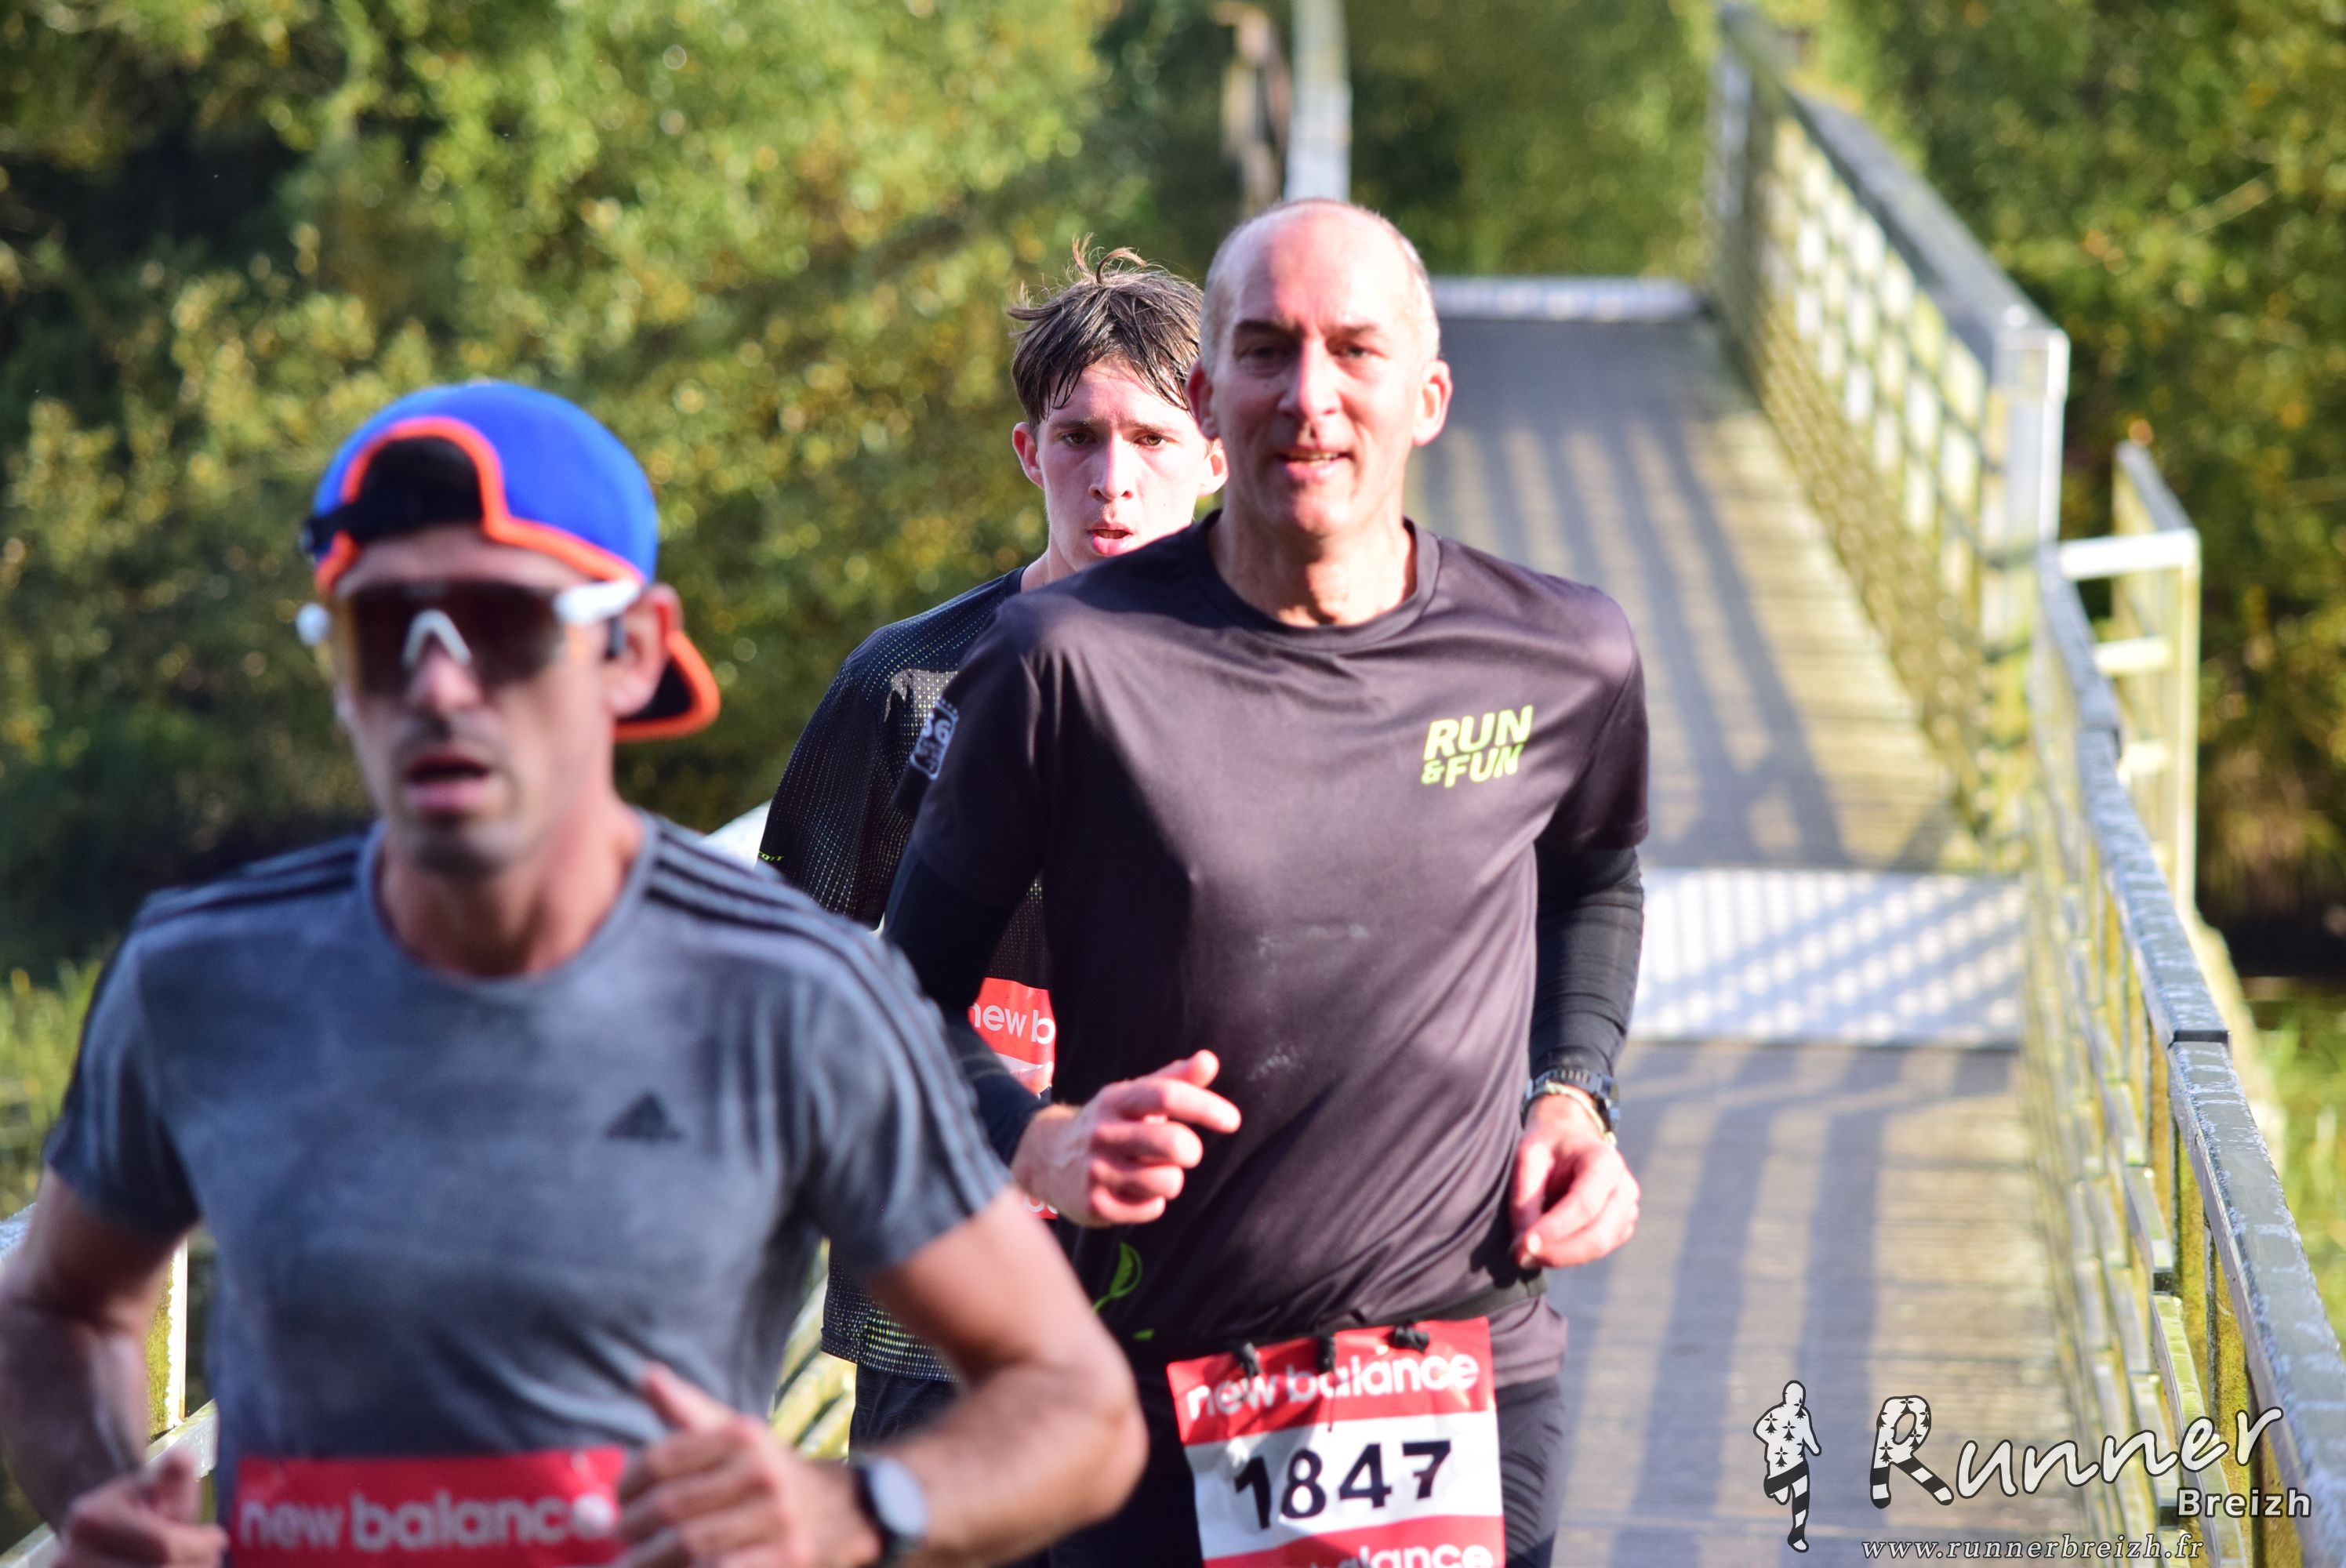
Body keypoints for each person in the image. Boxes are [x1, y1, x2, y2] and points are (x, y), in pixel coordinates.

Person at [0, 382, 1143, 1568]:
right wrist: (103, 1497)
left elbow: (1074, 1404)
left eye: (503, 624)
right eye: (381, 628)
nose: (439, 686)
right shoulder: (203, 976)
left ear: (633, 650)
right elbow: (56, 1304)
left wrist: (853, 1510)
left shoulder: (789, 998)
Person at [880, 200, 1649, 1568]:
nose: (1309, 395)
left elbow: (1593, 879)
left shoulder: (1561, 654)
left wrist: (1573, 1091)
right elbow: (898, 992)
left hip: (1460, 1370)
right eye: (1264, 350)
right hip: (1152, 1378)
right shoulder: (1063, 661)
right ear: (1206, 398)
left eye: (1355, 350)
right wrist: (1038, 1142)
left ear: (1428, 397)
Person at [758, 244, 1225, 1455]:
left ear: (1218, 456)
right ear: (1029, 452)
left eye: (1154, 440)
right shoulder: (908, 682)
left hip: (1199, 1290)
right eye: (1080, 438)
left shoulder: (1287, 688)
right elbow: (785, 961)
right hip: (945, 1295)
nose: (1114, 480)